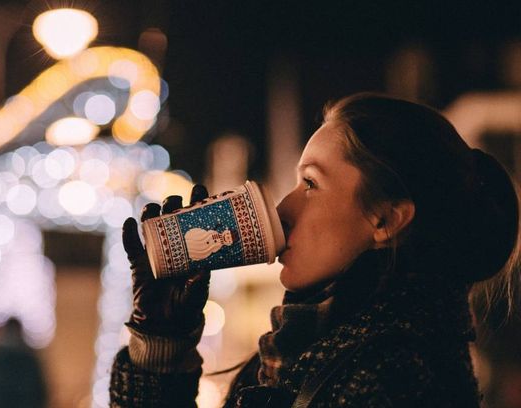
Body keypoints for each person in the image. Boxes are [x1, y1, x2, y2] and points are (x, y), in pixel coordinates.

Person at [108, 93, 520, 407]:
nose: (284, 209)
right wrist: (162, 344)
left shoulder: (393, 377)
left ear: (386, 220)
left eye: (310, 184)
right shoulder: (310, 348)